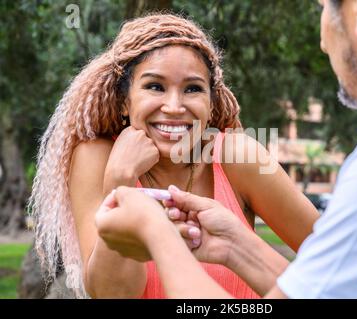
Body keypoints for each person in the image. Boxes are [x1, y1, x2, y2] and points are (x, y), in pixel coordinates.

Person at [95, 0, 357, 298]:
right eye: (155, 86)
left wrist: (156, 233)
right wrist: (235, 246)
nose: (324, 41)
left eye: (323, 7)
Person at [29, 13, 319, 298]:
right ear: (124, 102)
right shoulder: (97, 157)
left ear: (210, 103)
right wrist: (120, 182)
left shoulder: (237, 156)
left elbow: (338, 257)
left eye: (193, 89)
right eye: (155, 86)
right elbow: (113, 293)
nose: (174, 106)